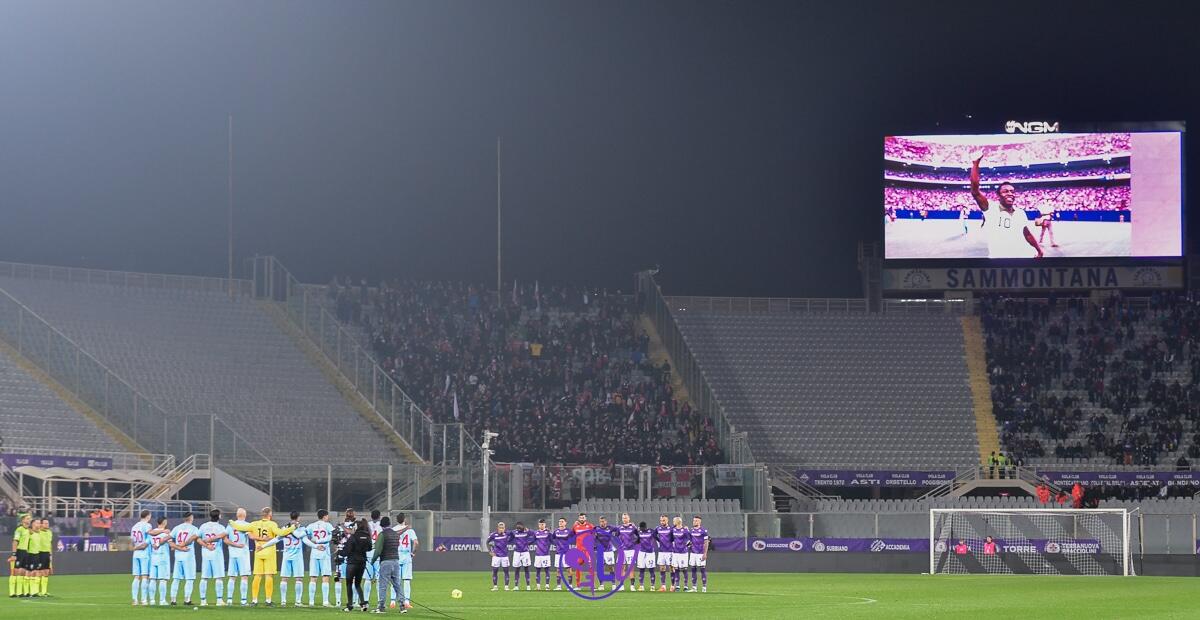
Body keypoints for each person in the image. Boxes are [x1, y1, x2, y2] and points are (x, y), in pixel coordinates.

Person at [970, 152, 1044, 259]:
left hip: (1022, 258)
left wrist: (1039, 250)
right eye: (1005, 191)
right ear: (998, 195)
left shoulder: (1020, 213)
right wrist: (975, 164)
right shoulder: (991, 208)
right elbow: (975, 191)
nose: (1010, 193)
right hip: (998, 260)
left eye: (1012, 191)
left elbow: (1027, 234)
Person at [231, 506, 297, 606]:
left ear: (262, 514)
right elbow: (281, 533)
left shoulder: (254, 524)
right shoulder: (272, 524)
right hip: (269, 551)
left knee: (257, 576)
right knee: (269, 576)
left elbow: (240, 528)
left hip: (258, 551)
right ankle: (268, 600)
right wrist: (293, 527)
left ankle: (254, 600)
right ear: (270, 514)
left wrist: (232, 522)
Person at [258, 511, 308, 607]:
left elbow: (275, 539)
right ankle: (297, 602)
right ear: (299, 518)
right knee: (299, 579)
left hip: (286, 556)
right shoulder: (301, 528)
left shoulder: (284, 528)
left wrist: (263, 546)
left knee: (284, 579)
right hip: (297, 556)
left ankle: (283, 601)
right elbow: (302, 538)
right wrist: (315, 546)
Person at [196, 509, 228, 607]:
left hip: (205, 553)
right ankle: (219, 600)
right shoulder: (221, 527)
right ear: (219, 516)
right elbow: (224, 536)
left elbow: (197, 538)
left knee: (204, 577)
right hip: (216, 553)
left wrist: (206, 546)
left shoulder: (203, 526)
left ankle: (203, 600)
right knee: (218, 577)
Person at [305, 509, 337, 607]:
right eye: (327, 516)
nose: (328, 518)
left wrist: (314, 541)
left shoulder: (311, 526)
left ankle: (311, 602)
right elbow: (333, 535)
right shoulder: (327, 525)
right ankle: (325, 601)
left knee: (313, 577)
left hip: (314, 553)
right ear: (324, 516)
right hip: (324, 553)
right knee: (325, 576)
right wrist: (321, 540)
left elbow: (305, 536)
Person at [339, 518, 372, 612]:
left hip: (352, 563)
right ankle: (363, 604)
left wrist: (340, 551)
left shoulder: (353, 537)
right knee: (358, 583)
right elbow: (369, 548)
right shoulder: (367, 536)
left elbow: (346, 551)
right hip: (362, 563)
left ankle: (350, 605)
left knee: (349, 583)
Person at [169, 512, 201, 605]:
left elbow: (170, 541)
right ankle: (187, 600)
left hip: (178, 556)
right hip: (188, 555)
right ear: (191, 518)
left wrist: (178, 547)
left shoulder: (177, 528)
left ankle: (173, 600)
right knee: (189, 578)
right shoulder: (194, 528)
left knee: (176, 578)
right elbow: (194, 539)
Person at [372, 516, 401, 614]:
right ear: (389, 524)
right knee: (397, 585)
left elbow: (378, 551)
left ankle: (381, 607)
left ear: (381, 525)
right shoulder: (396, 534)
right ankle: (402, 606)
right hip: (396, 561)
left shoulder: (382, 535)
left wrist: (372, 561)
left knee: (383, 585)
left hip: (386, 562)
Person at [224, 508, 251, 606]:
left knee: (232, 577)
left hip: (232, 554)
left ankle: (229, 600)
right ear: (245, 515)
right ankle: (243, 600)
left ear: (237, 515)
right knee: (244, 577)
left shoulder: (230, 525)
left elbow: (225, 539)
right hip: (243, 554)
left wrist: (234, 545)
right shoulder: (247, 525)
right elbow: (251, 536)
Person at [393, 513, 418, 611]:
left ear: (396, 520)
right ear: (404, 519)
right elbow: (416, 542)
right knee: (407, 579)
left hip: (396, 555)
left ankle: (392, 601)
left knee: (395, 579)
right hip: (407, 555)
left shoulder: (394, 529)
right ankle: (407, 602)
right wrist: (413, 553)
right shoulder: (410, 530)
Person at [129, 510, 155, 605]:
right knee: (145, 576)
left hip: (136, 554)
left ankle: (134, 599)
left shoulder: (134, 526)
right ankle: (144, 600)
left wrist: (135, 547)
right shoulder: (147, 526)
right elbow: (146, 543)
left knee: (136, 577)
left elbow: (131, 541)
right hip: (144, 554)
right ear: (148, 516)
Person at [149, 517, 172, 605]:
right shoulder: (166, 532)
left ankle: (152, 600)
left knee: (153, 579)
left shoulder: (153, 531)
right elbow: (170, 543)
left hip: (154, 557)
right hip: (163, 557)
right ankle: (162, 600)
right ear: (164, 522)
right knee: (163, 579)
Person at [550, 518, 575, 591]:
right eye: (559, 521)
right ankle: (558, 586)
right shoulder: (556, 531)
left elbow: (574, 537)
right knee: (558, 570)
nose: (560, 523)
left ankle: (570, 586)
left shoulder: (569, 531)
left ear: (565, 523)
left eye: (562, 521)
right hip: (558, 553)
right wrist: (556, 544)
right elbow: (552, 538)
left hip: (566, 553)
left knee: (569, 569)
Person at [615, 514, 639, 591]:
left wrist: (634, 543)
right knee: (622, 567)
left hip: (631, 550)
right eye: (623, 518)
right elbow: (616, 536)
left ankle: (632, 586)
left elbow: (639, 536)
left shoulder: (633, 527)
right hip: (622, 551)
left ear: (629, 518)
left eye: (626, 518)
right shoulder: (619, 528)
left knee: (631, 568)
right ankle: (621, 585)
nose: (624, 519)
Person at [9, 513, 31, 597]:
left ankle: (19, 592)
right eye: (27, 519)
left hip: (25, 552)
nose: (29, 520)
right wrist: (14, 554)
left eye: (29, 519)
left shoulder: (28, 530)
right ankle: (12, 592)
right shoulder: (19, 529)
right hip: (19, 551)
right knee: (15, 571)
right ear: (23, 520)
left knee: (22, 571)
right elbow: (15, 542)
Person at [590, 516, 615, 589]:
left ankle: (613, 584)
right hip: (600, 552)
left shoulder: (610, 528)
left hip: (609, 551)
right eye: (601, 521)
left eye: (603, 521)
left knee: (611, 567)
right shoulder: (596, 529)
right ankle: (601, 585)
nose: (602, 523)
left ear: (606, 522)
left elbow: (619, 529)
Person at [487, 521, 513, 591]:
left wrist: (509, 540)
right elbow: (487, 542)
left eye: (503, 528)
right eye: (500, 528)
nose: (501, 529)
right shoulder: (493, 535)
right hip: (496, 556)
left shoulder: (507, 533)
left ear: (504, 528)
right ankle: (495, 586)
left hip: (505, 556)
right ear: (498, 528)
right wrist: (490, 551)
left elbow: (513, 534)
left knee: (506, 571)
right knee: (495, 571)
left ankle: (506, 586)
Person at [688, 516, 710, 593]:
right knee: (693, 569)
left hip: (700, 553)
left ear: (700, 522)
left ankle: (704, 588)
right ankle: (694, 588)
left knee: (702, 570)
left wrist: (705, 553)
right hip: (693, 553)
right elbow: (690, 541)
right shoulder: (691, 531)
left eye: (696, 521)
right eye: (694, 520)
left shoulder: (704, 531)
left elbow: (706, 542)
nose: (694, 522)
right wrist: (689, 545)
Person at [509, 522, 534, 590]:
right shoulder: (514, 532)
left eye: (520, 527)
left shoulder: (527, 532)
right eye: (518, 527)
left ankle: (528, 586)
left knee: (526, 568)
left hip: (525, 552)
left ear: (523, 526)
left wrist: (529, 543)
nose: (519, 528)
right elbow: (509, 537)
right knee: (517, 569)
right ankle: (516, 586)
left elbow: (534, 534)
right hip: (517, 552)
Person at [653, 515, 674, 592]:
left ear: (667, 520)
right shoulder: (658, 528)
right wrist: (659, 540)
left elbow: (674, 538)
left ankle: (672, 586)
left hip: (670, 551)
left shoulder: (671, 529)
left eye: (664, 520)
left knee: (671, 568)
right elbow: (653, 534)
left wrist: (670, 542)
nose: (662, 522)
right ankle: (663, 586)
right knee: (662, 568)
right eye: (661, 520)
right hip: (661, 551)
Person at [531, 519, 553, 590]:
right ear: (538, 525)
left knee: (547, 570)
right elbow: (532, 540)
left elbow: (552, 540)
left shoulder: (548, 533)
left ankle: (547, 585)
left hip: (546, 554)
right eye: (540, 524)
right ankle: (538, 586)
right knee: (538, 570)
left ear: (545, 525)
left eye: (543, 524)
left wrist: (550, 534)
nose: (541, 525)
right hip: (538, 555)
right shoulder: (536, 533)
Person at [669, 516, 690, 592]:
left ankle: (685, 586)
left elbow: (689, 539)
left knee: (684, 569)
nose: (673, 522)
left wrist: (685, 546)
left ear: (678, 521)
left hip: (683, 553)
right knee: (676, 569)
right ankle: (677, 586)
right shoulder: (673, 530)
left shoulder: (685, 530)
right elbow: (671, 539)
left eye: (674, 521)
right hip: (675, 552)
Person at [636, 521, 657, 591]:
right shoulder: (639, 532)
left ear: (645, 527)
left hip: (650, 553)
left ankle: (652, 586)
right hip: (642, 552)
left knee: (651, 569)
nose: (642, 529)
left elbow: (657, 537)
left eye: (643, 528)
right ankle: (641, 586)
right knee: (641, 569)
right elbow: (638, 540)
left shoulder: (651, 531)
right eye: (641, 528)